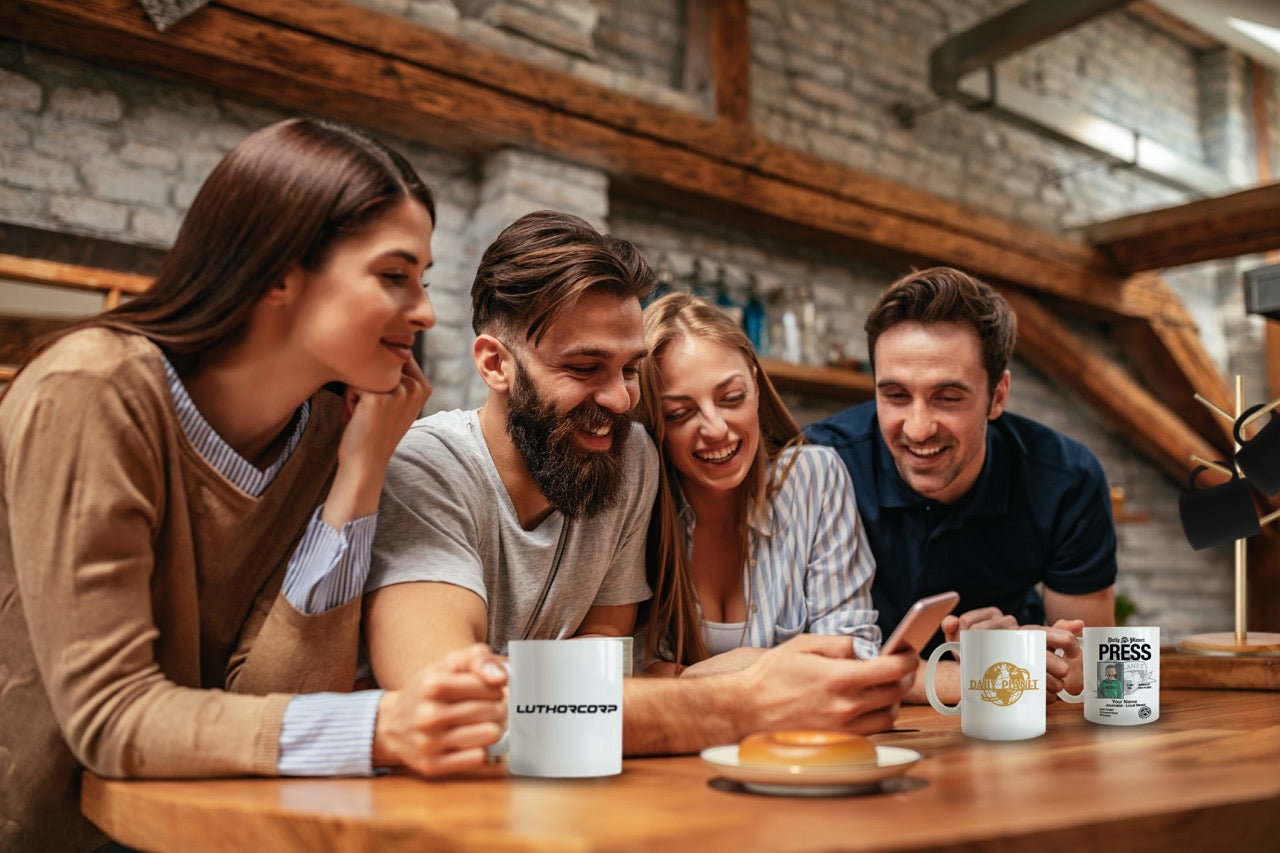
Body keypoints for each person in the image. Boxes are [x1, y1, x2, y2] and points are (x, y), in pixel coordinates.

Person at [0, 118, 507, 853]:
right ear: (277, 271)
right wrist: (382, 725)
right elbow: (110, 719)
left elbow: (264, 701)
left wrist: (359, 477)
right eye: (394, 275)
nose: (426, 311)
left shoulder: (330, 435)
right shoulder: (94, 390)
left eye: (423, 281)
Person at [364, 211, 917, 755]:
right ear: (495, 363)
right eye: (584, 368)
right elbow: (446, 700)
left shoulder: (628, 457)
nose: (621, 400)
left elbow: (603, 657)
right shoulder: (426, 468)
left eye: (630, 370)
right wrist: (746, 696)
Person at [805, 266, 1115, 703]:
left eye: (947, 398)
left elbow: (1096, 665)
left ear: (998, 396)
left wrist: (1023, 655)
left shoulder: (1066, 478)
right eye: (895, 396)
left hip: (1007, 728)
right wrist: (982, 675)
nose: (916, 428)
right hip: (863, 728)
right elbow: (800, 663)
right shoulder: (819, 465)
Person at [636, 293, 880, 672]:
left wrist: (697, 675)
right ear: (654, 422)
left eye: (732, 398)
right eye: (679, 414)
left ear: (755, 386)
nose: (716, 429)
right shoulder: (638, 500)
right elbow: (625, 672)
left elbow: (853, 653)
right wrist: (777, 665)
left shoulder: (814, 478)